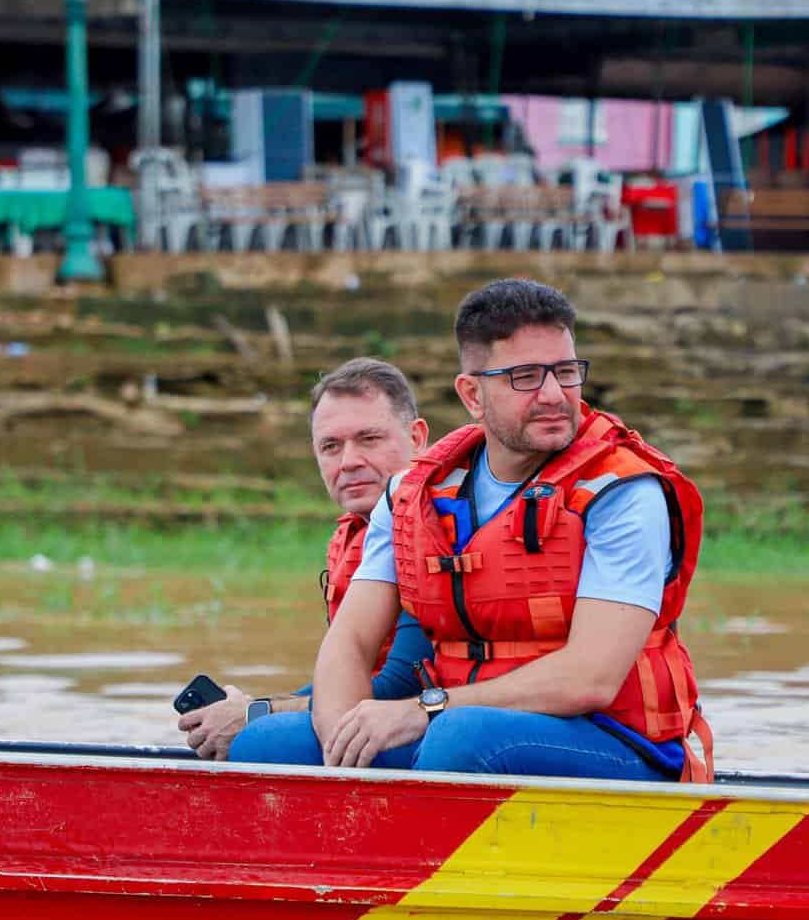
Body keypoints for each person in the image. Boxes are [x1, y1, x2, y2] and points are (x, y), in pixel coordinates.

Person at [235, 277, 712, 782]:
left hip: (617, 744)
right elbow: (349, 643)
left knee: (462, 739)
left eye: (566, 372)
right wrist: (342, 742)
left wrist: (425, 710)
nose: (554, 395)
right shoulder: (411, 492)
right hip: (454, 728)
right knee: (270, 743)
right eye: (526, 377)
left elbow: (590, 678)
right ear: (472, 395)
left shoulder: (624, 492)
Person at [180, 358, 431, 759]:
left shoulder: (438, 525)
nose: (348, 461)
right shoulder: (356, 530)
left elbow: (400, 684)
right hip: (371, 710)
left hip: (429, 716)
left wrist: (258, 713)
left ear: (417, 438)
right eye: (331, 446)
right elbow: (347, 681)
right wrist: (252, 709)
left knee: (263, 740)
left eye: (369, 439)